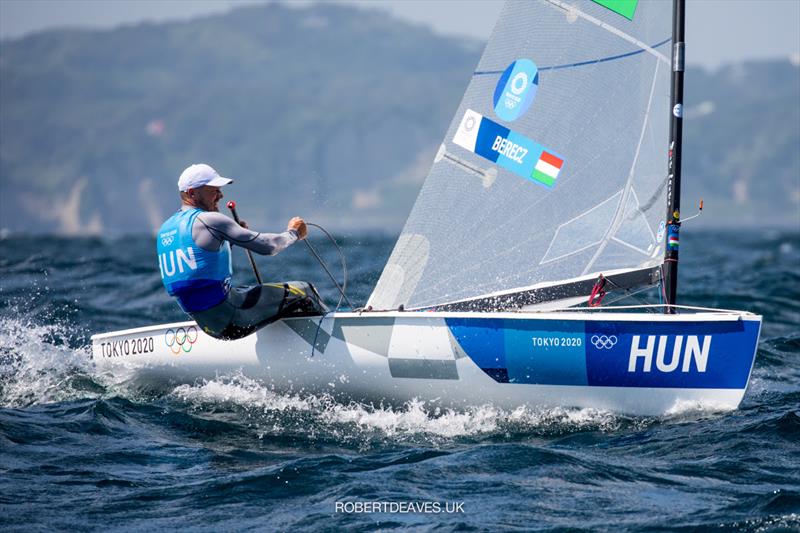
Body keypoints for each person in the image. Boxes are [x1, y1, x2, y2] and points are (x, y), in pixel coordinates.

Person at [156, 163, 326, 340]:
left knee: (252, 290)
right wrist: (293, 233)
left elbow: (200, 267)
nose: (220, 195)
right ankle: (329, 345)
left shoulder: (166, 229)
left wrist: (230, 238)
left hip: (208, 324)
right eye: (214, 190)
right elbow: (269, 247)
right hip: (233, 320)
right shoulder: (209, 220)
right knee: (305, 291)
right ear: (192, 193)